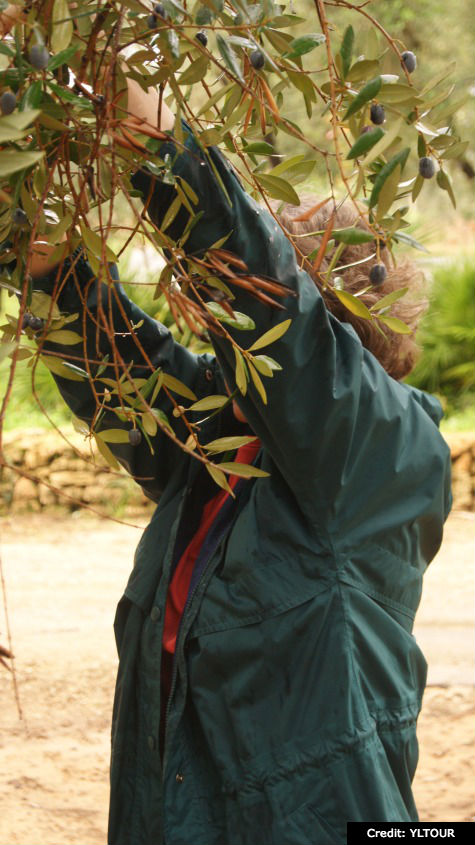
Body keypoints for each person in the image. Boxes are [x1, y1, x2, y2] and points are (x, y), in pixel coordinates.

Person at [3, 15, 452, 845]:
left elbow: (263, 295)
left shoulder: (377, 446)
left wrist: (151, 135)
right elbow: (118, 362)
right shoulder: (225, 442)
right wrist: (41, 252)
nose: (207, 306)